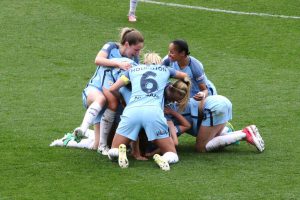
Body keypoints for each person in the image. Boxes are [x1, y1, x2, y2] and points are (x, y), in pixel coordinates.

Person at [105, 53, 191, 171]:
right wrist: (186, 83)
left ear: (144, 62)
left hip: (132, 111)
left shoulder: (132, 70)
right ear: (159, 62)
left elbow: (112, 89)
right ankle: (165, 159)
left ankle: (119, 152)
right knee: (172, 153)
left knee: (113, 149)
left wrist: (121, 100)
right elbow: (184, 76)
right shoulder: (165, 70)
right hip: (153, 112)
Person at [73, 27, 144, 155]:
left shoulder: (134, 61)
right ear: (127, 44)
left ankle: (76, 141)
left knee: (100, 144)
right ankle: (83, 129)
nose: (137, 54)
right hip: (95, 90)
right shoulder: (111, 46)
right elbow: (98, 60)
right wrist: (119, 64)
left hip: (114, 96)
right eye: (136, 50)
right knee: (102, 98)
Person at [166, 96, 265, 153]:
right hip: (219, 101)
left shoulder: (165, 117)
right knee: (210, 138)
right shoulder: (167, 105)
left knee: (201, 147)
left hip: (213, 107)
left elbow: (172, 140)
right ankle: (229, 131)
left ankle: (244, 134)